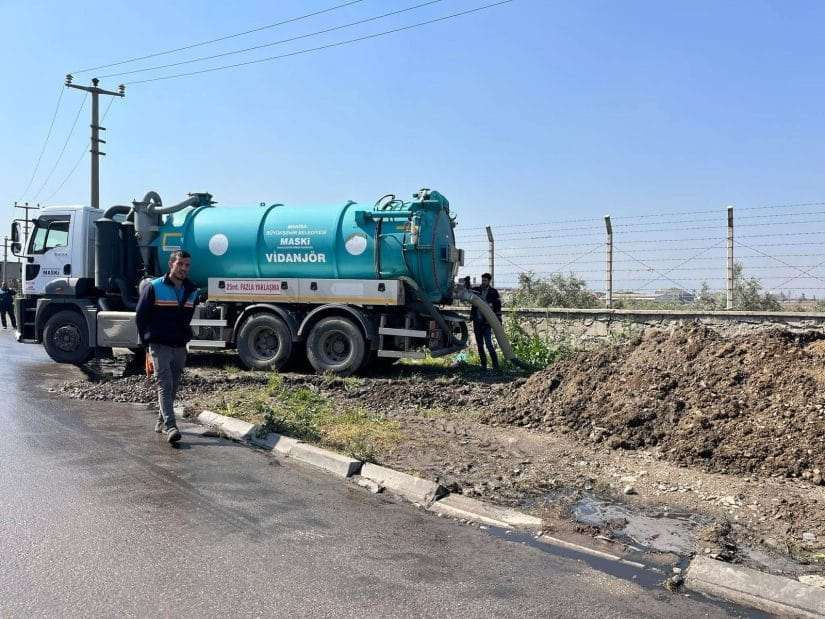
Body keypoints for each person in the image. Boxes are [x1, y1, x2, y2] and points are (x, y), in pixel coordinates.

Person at [135, 250, 199, 444]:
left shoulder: (192, 290)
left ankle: (161, 421)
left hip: (179, 345)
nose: (184, 268)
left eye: (187, 265)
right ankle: (171, 426)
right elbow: (141, 317)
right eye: (180, 264)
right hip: (159, 344)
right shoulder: (154, 287)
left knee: (174, 386)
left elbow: (187, 318)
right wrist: (147, 344)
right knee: (164, 384)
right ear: (171, 264)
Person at [469, 272, 502, 370]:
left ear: (489, 281)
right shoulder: (477, 290)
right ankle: (484, 365)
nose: (483, 282)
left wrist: (499, 320)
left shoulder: (493, 292)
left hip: (487, 323)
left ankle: (496, 365)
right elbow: (469, 291)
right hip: (477, 322)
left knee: (489, 345)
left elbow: (497, 307)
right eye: (482, 280)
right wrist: (467, 283)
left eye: (485, 280)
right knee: (479, 345)